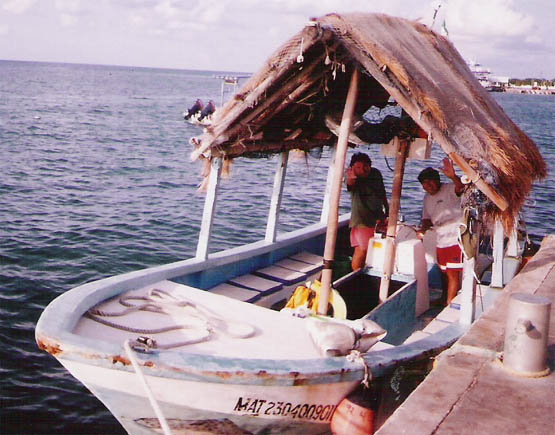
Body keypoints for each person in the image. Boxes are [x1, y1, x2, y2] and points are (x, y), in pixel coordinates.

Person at [417, 158, 465, 305]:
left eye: (430, 181)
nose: (428, 185)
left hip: (455, 238)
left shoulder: (450, 188)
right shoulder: (427, 198)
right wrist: (422, 229)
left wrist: (453, 176)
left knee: (453, 273)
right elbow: (426, 219)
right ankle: (445, 298)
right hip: (441, 239)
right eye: (424, 183)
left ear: (438, 180)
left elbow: (461, 188)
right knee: (444, 272)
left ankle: (450, 304)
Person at [345, 152, 389, 271]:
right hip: (362, 222)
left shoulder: (375, 173)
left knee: (364, 251)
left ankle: (358, 274)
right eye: (358, 168)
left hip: (377, 220)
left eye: (365, 166)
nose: (363, 170)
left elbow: (382, 193)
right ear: (353, 168)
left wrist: (387, 212)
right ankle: (356, 275)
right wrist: (351, 175)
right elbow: (350, 183)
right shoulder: (352, 177)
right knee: (362, 251)